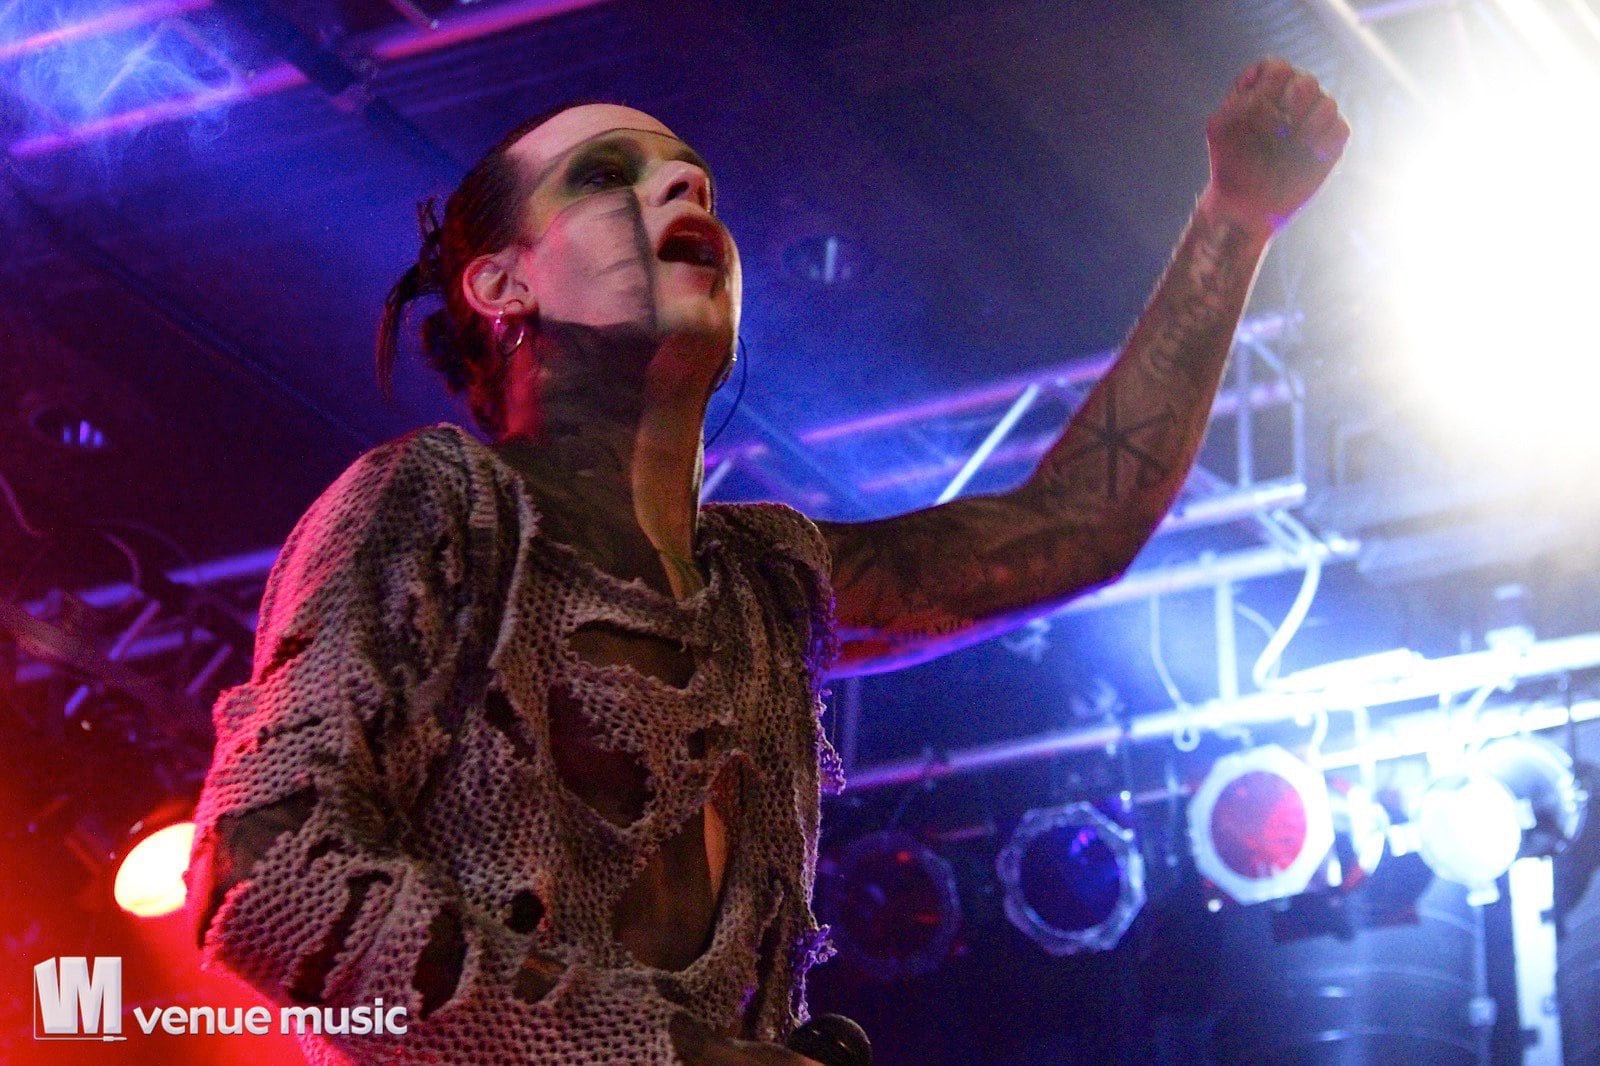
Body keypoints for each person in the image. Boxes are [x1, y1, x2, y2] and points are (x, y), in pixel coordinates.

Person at [187, 58, 1348, 1064]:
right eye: (605, 176)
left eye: (690, 176)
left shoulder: (760, 584)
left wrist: (1234, 216)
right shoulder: (436, 501)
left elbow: (1072, 527)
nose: (679, 187)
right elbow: (261, 871)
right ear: (501, 283)